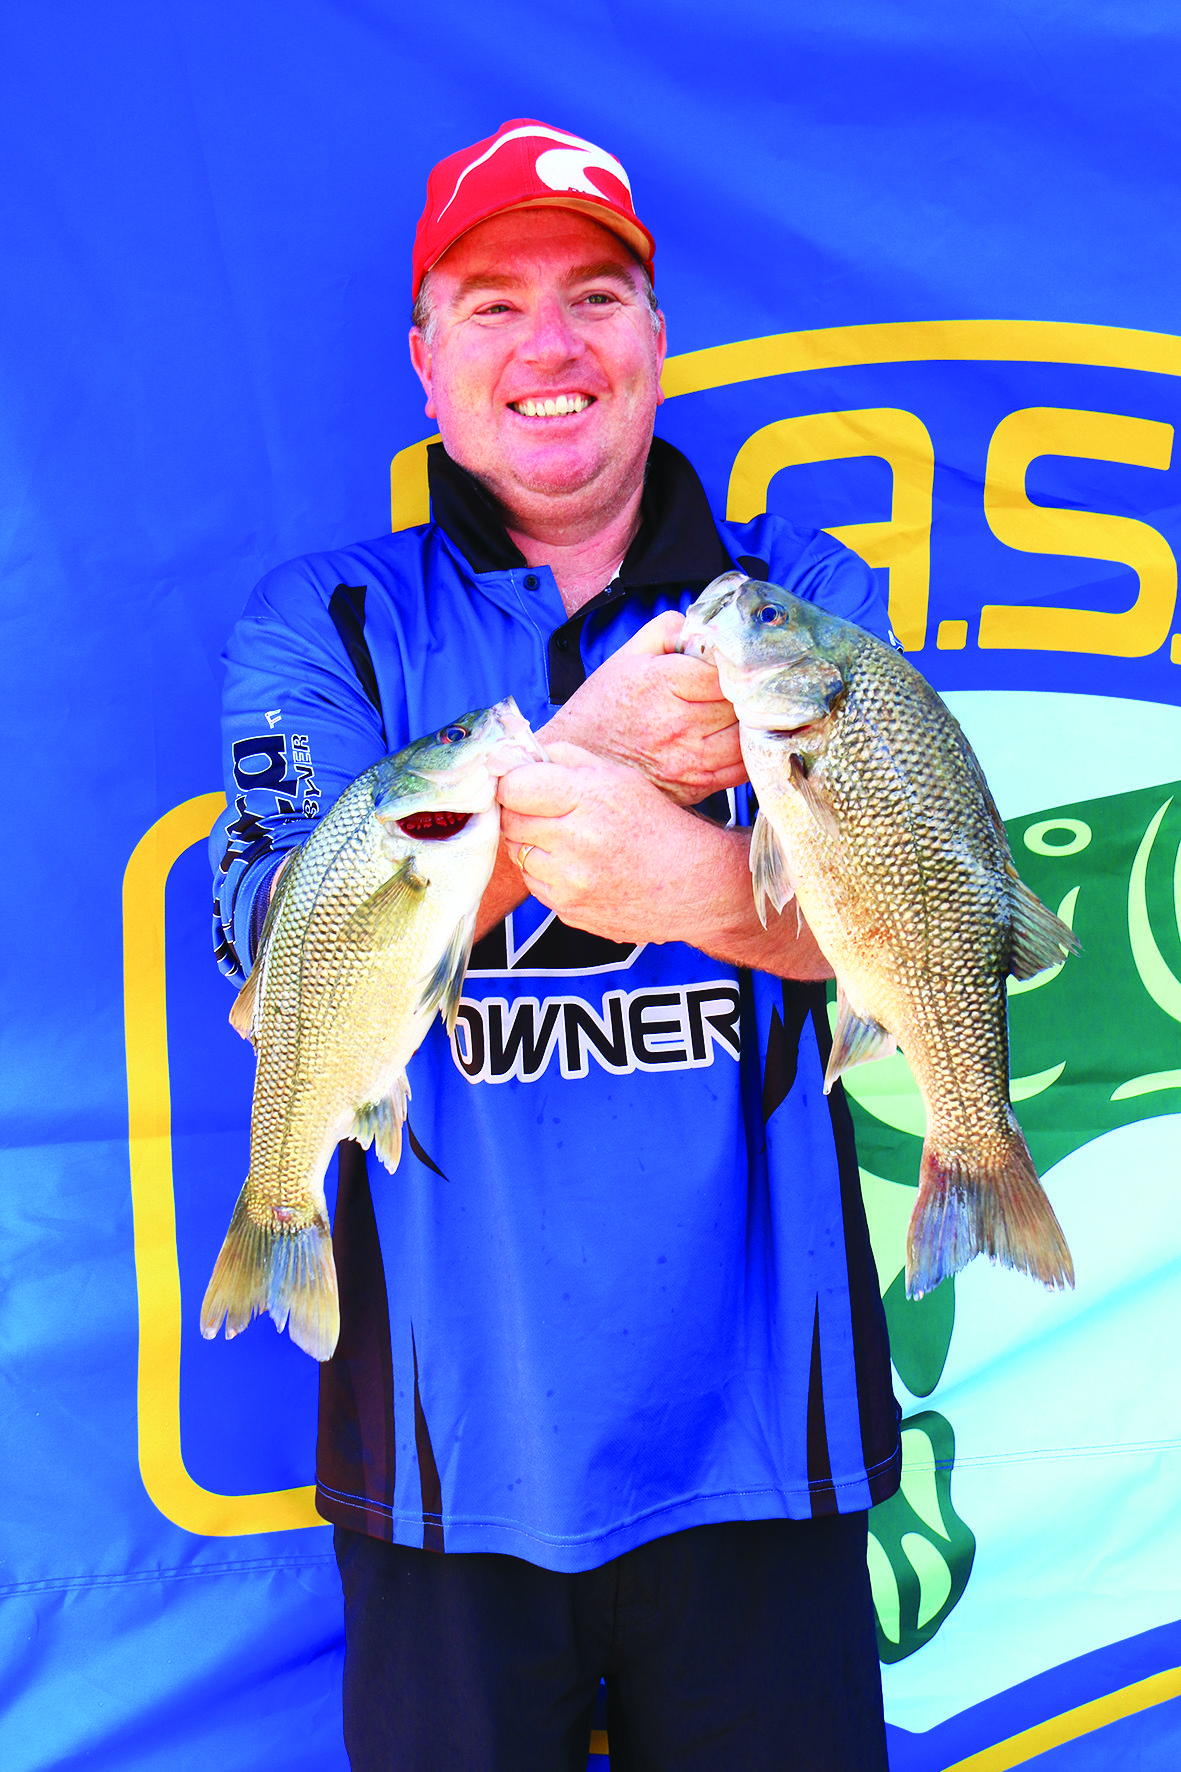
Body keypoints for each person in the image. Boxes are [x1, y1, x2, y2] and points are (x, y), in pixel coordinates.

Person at [211, 118, 901, 1771]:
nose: (552, 347)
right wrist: (590, 760)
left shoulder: (792, 597)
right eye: (495, 303)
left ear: (656, 340)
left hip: (764, 1442)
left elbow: (910, 920)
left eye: (596, 296)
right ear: (427, 359)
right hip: (456, 1462)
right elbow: (271, 939)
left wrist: (675, 878)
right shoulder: (330, 621)